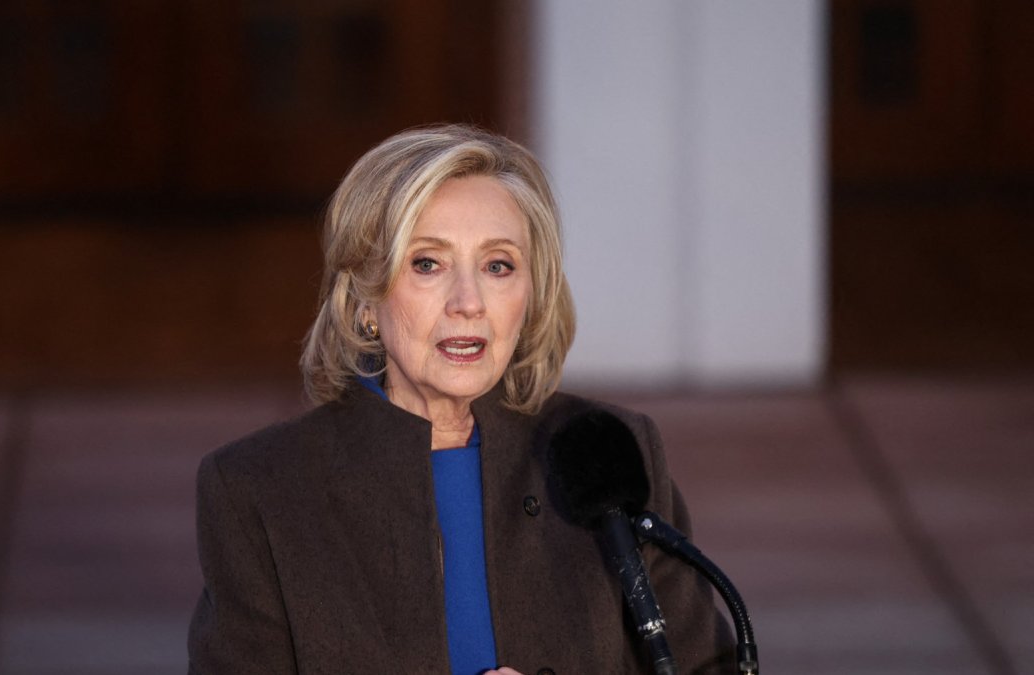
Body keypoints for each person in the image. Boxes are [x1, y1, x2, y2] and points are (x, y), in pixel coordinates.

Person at [187, 124, 735, 674]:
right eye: (427, 263)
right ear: (363, 301)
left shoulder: (610, 455)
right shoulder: (258, 491)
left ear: (532, 294)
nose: (469, 302)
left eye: (498, 265)